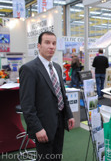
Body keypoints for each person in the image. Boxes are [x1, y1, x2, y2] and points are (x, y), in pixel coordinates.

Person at [19, 31, 75, 161]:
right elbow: (27, 105)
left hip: (60, 122)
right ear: (39, 46)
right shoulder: (29, 69)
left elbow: (62, 94)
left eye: (54, 43)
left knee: (56, 156)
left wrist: (69, 114)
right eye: (47, 43)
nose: (51, 46)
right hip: (43, 126)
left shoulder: (56, 67)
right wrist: (37, 128)